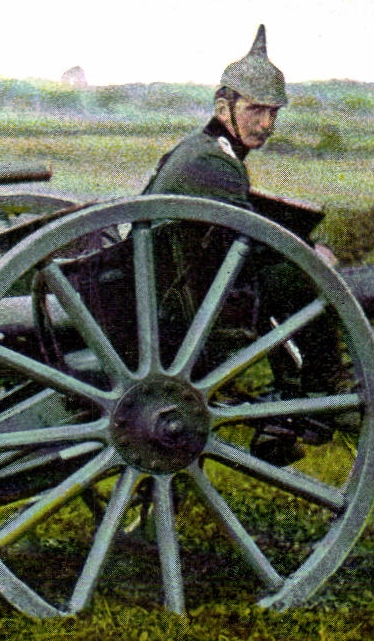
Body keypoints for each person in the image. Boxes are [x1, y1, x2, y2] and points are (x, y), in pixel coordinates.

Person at [142, 24, 343, 465]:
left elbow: (246, 219)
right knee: (294, 276)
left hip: (177, 288)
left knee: (286, 270)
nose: (267, 124)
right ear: (223, 107)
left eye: (274, 112)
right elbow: (251, 237)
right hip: (177, 306)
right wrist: (312, 257)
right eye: (255, 110)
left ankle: (292, 400)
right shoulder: (210, 163)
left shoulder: (203, 152)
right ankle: (318, 395)